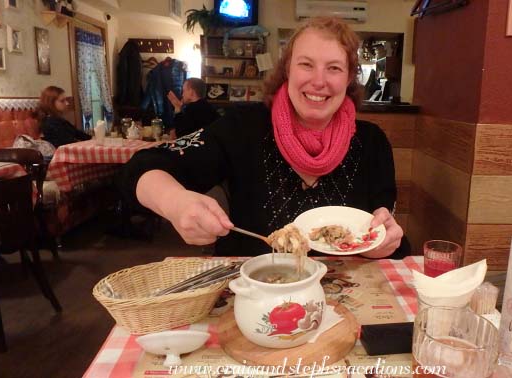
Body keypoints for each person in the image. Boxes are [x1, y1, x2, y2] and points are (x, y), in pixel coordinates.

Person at [119, 17, 407, 258]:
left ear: (348, 79)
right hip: (253, 302)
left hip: (345, 304)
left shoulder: (372, 143)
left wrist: (380, 245)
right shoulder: (243, 127)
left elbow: (386, 233)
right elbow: (142, 166)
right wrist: (175, 202)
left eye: (334, 68)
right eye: (306, 64)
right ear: (287, 71)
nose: (319, 81)